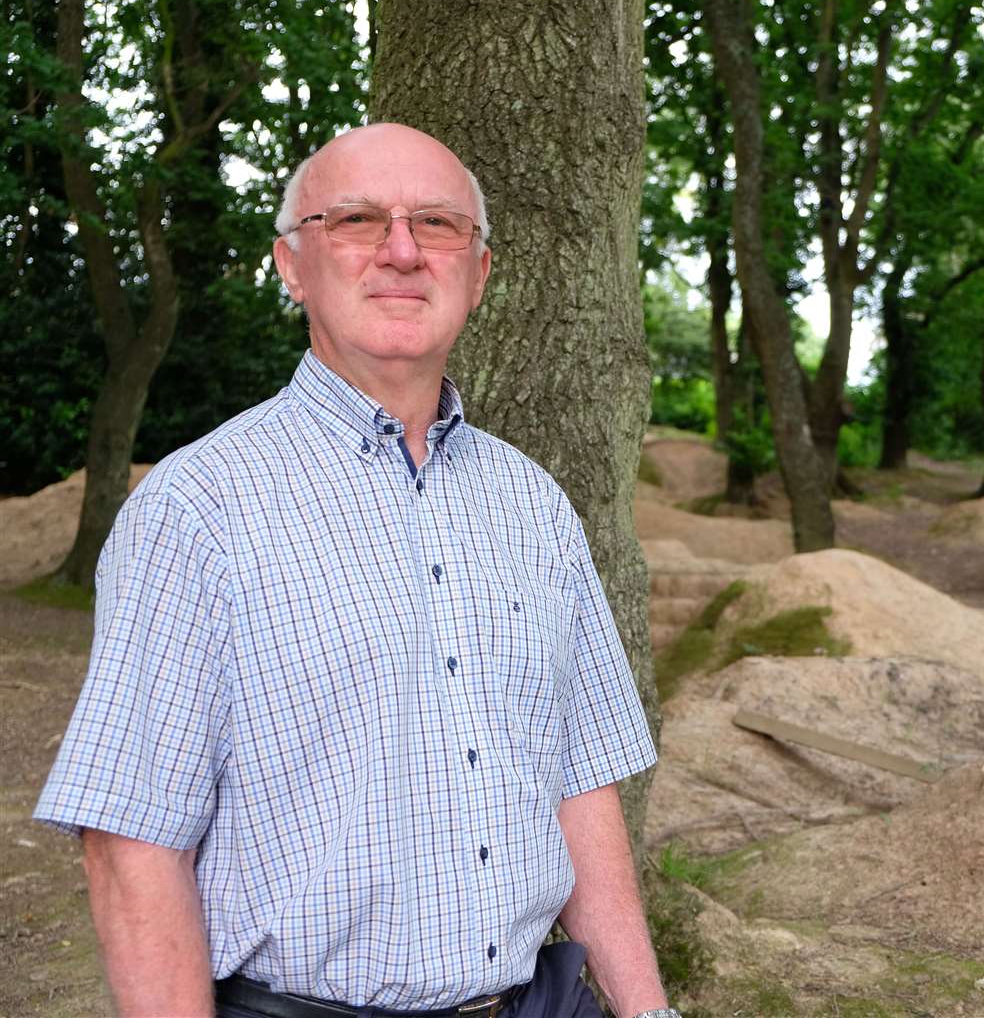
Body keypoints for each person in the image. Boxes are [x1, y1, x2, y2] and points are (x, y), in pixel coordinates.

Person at [35, 123, 679, 1018]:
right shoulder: (198, 510)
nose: (403, 252)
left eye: (439, 226)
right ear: (292, 264)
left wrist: (648, 1013)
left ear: (480, 274)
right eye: (358, 221)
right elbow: (130, 843)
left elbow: (581, 786)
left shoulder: (535, 506)